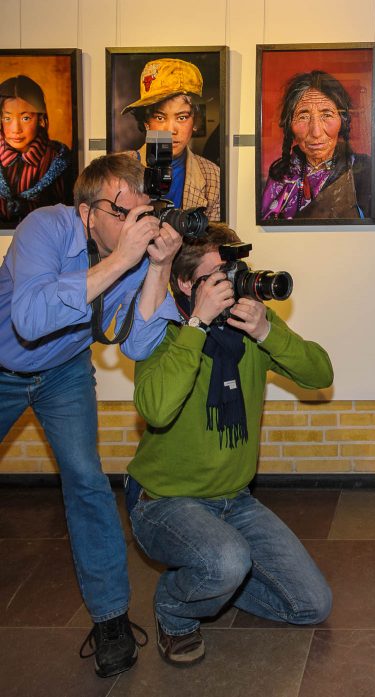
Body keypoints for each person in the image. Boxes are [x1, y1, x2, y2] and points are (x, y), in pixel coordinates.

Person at [0, 153, 182, 676]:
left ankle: (111, 620)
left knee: (87, 482)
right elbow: (31, 318)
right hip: (3, 366)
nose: (136, 225)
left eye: (143, 212)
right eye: (122, 212)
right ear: (87, 213)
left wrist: (160, 266)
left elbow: (140, 347)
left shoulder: (132, 255)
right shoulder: (45, 226)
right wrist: (123, 261)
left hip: (64, 373)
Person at [125, 223, 333, 666]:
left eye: (237, 271)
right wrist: (196, 325)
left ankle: (218, 578)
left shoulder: (250, 324)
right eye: (220, 275)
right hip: (163, 502)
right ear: (186, 283)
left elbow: (320, 375)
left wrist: (266, 333)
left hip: (233, 501)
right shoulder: (160, 327)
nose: (235, 282)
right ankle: (176, 609)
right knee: (226, 560)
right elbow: (156, 409)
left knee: (312, 604)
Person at [261, 70, 372, 221]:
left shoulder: (363, 170)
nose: (316, 132)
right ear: (289, 125)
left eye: (327, 115)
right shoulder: (281, 175)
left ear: (342, 121)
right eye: (303, 117)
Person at [120, 58, 221, 220]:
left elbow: (212, 241)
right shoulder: (117, 170)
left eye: (181, 117)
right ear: (146, 123)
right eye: (160, 118)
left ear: (195, 121)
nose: (170, 130)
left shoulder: (213, 176)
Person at [0, 75, 74, 224]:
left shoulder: (58, 159)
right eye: (7, 118)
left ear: (40, 118)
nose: (16, 129)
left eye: (25, 118)